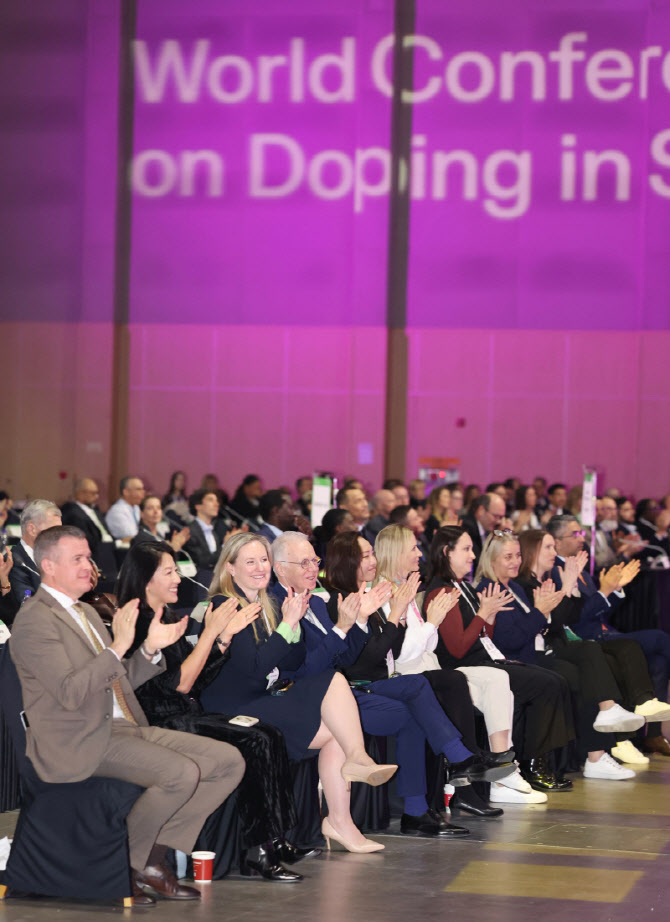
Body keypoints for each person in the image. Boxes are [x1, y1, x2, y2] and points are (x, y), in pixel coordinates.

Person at [9, 525, 245, 905]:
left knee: (227, 762)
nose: (89, 566)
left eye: (88, 557)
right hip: (78, 739)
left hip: (123, 725)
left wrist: (148, 649)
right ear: (48, 566)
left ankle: (148, 859)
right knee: (181, 773)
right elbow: (70, 692)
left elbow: (118, 683)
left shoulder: (85, 611)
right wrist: (117, 648)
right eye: (77, 559)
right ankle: (130, 864)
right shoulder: (35, 620)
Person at [117, 542, 315, 883]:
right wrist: (212, 634)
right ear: (147, 579)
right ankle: (259, 850)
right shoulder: (137, 623)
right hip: (163, 720)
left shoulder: (166, 616)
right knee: (256, 739)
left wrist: (221, 640)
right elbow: (180, 685)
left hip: (186, 712)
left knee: (268, 733)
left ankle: (272, 839)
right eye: (169, 572)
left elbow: (195, 679)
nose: (178, 578)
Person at [200, 533, 397, 854]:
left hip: (264, 696)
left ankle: (341, 820)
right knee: (335, 692)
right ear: (231, 568)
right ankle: (357, 760)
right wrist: (288, 625)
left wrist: (293, 624)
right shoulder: (226, 604)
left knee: (336, 730)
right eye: (250, 562)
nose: (260, 567)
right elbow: (255, 669)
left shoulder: (267, 603)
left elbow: (292, 661)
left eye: (263, 560)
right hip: (233, 706)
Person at [324, 532, 515, 832]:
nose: (373, 560)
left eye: (373, 553)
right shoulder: (340, 601)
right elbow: (361, 662)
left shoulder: (370, 595)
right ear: (347, 561)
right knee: (421, 685)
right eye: (365, 556)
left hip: (377, 682)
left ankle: (417, 812)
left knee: (414, 711)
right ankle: (460, 758)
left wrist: (398, 616)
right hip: (353, 689)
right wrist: (394, 615)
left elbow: (389, 649)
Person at [423, 526, 575, 805]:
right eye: (466, 549)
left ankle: (515, 767)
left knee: (550, 679)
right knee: (545, 683)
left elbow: (482, 637)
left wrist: (487, 617)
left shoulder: (461, 586)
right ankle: (520, 767)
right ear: (447, 553)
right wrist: (484, 614)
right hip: (463, 670)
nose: (472, 556)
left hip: (483, 661)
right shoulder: (442, 591)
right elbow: (457, 650)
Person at [374, 524, 516, 818]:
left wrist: (431, 624)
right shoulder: (385, 592)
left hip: (428, 665)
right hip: (406, 673)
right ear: (396, 553)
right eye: (413, 548)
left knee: (496, 676)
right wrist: (432, 622)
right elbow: (401, 653)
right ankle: (469, 764)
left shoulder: (406, 587)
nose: (419, 553)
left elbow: (429, 645)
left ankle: (497, 759)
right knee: (453, 680)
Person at [515, 529, 642, 781]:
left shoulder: (543, 581)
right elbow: (552, 623)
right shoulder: (522, 585)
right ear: (532, 551)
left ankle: (601, 741)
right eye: (548, 547)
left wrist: (570, 586)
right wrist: (567, 586)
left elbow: (569, 617)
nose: (554, 553)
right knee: (584, 667)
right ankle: (597, 750)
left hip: (553, 646)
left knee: (592, 657)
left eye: (553, 547)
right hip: (535, 653)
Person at [547, 515, 670, 759]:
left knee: (658, 662)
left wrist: (615, 589)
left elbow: (601, 610)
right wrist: (604, 591)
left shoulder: (578, 568)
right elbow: (575, 618)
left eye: (582, 533)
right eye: (575, 534)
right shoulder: (556, 571)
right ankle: (626, 737)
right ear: (557, 541)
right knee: (658, 637)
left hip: (603, 632)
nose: (581, 539)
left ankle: (651, 734)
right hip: (585, 638)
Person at [60, 478, 118, 581]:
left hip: (107, 548)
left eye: (97, 493)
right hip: (95, 551)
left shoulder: (95, 510)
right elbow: (85, 539)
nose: (97, 496)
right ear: (80, 493)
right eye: (93, 493)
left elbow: (105, 531)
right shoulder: (73, 513)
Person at [9, 499, 62, 607]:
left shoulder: (57, 558)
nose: (59, 537)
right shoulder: (14, 562)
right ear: (32, 529)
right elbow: (29, 604)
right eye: (54, 530)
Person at [182, 489, 223, 570]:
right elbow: (202, 561)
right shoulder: (190, 531)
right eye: (210, 500)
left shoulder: (213, 532)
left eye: (216, 501)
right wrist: (225, 546)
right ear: (198, 506)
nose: (217, 504)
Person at [106, 476, 146, 541]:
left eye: (143, 489)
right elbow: (131, 535)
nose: (143, 492)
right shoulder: (117, 511)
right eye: (138, 489)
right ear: (126, 492)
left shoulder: (136, 508)